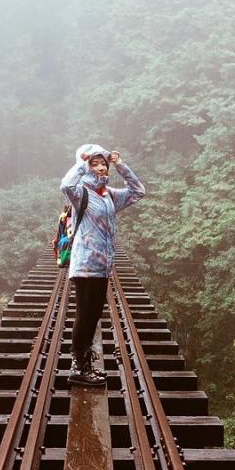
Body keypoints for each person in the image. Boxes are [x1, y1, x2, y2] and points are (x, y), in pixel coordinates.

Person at [60, 143, 146, 387]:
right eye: (94, 164)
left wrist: (120, 165)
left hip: (102, 265)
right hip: (85, 263)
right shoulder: (80, 192)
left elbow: (138, 191)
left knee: (93, 315)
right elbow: (65, 185)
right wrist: (81, 162)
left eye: (103, 164)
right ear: (86, 166)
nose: (100, 168)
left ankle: (84, 362)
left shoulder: (109, 195)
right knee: (85, 316)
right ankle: (79, 367)